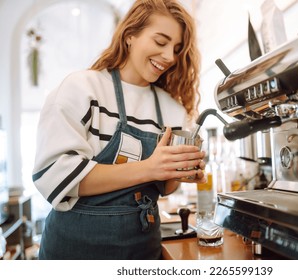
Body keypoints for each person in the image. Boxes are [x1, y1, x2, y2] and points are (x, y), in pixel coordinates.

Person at [32, 0, 206, 260]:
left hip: (142, 251)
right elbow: (56, 176)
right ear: (130, 36)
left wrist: (180, 171)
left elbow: (164, 187)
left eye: (177, 48)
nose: (170, 56)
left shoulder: (172, 110)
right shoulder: (82, 89)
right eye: (160, 42)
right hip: (74, 252)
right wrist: (151, 167)